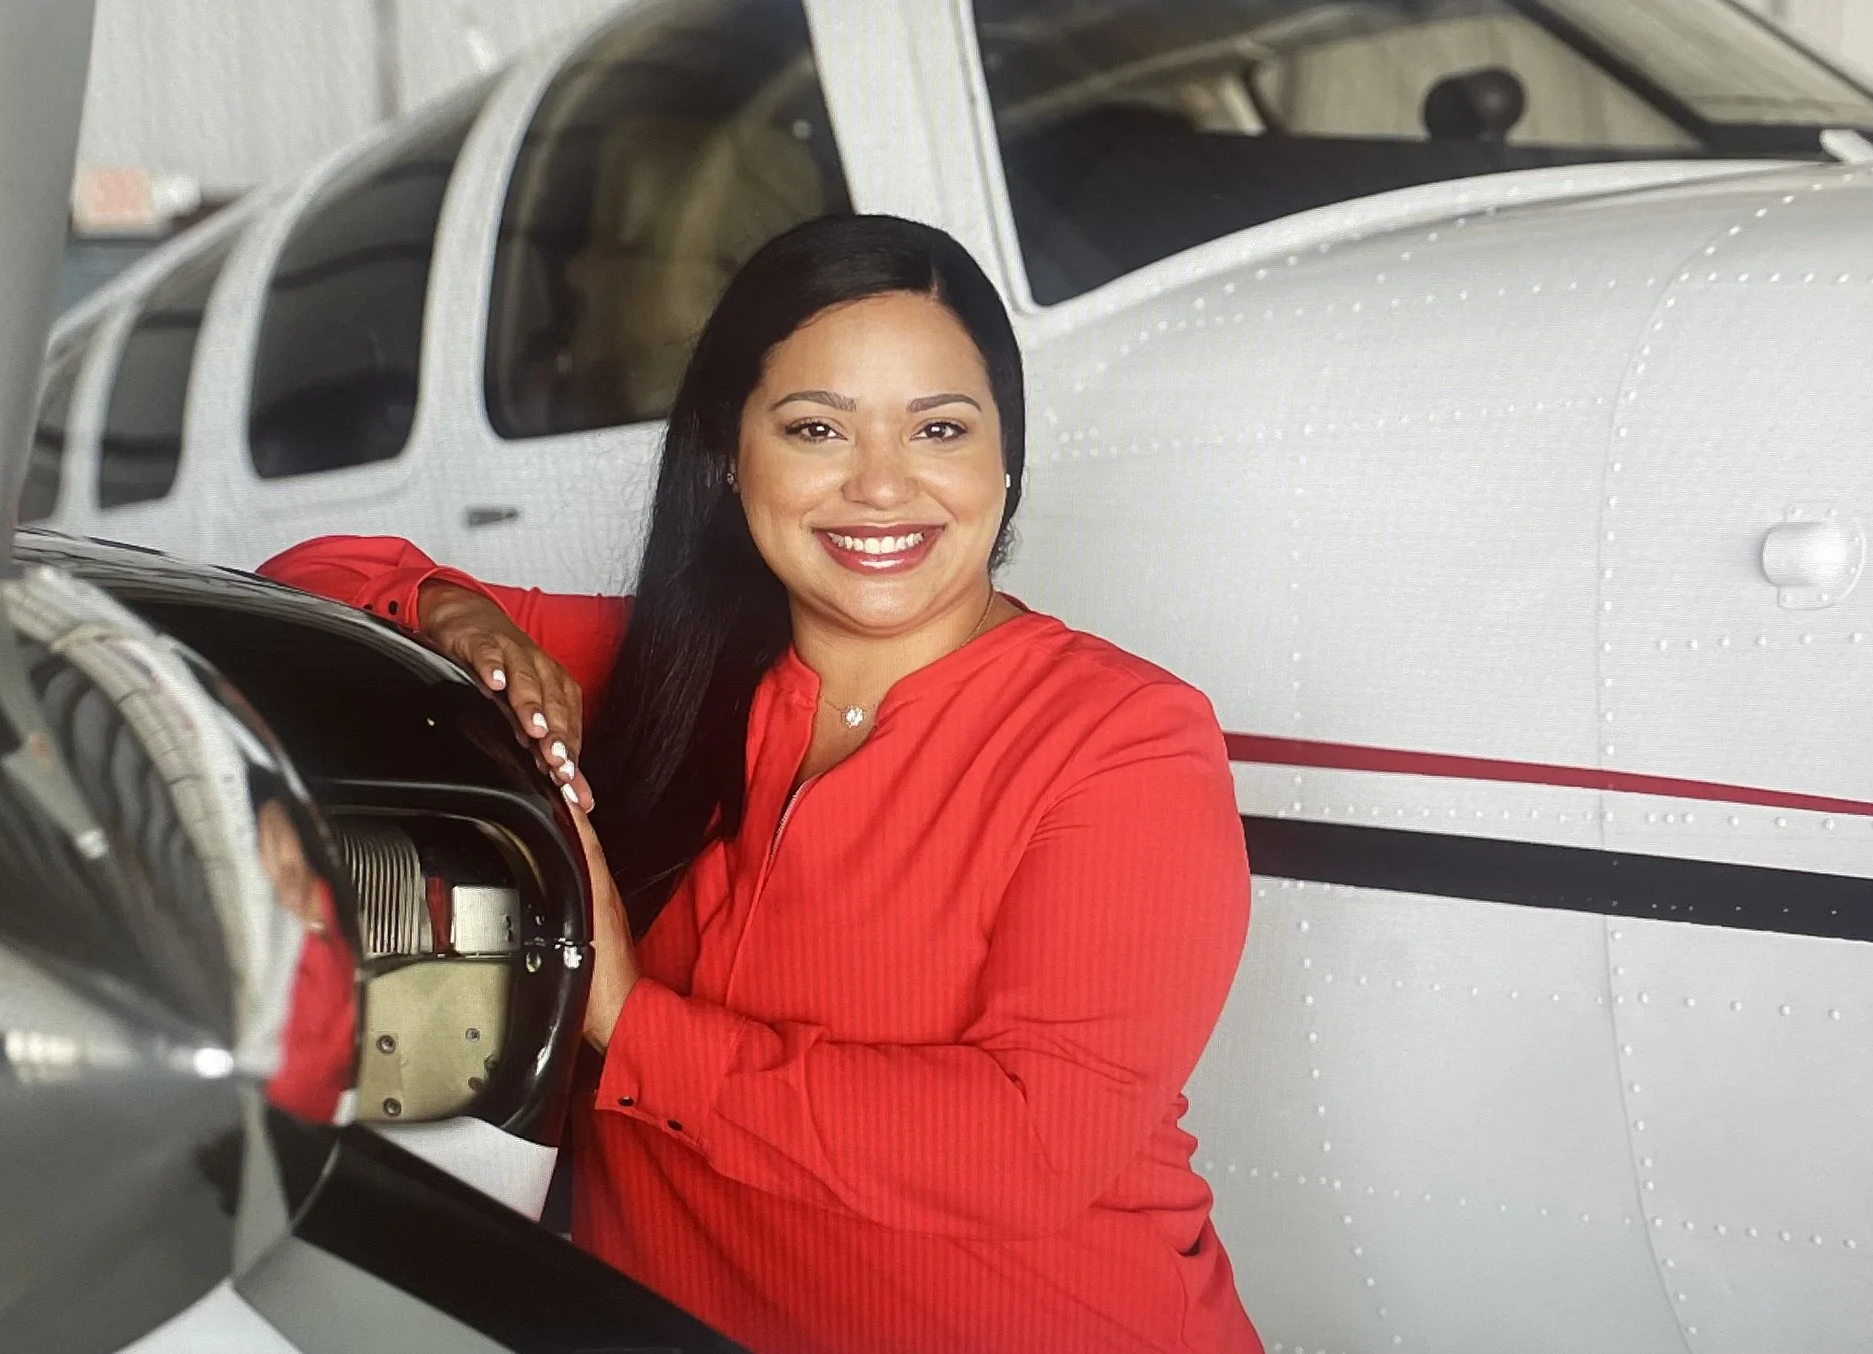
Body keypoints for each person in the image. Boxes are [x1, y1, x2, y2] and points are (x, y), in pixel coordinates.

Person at [260, 214, 1258, 1354]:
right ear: (730, 457)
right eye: (815, 428)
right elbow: (308, 583)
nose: (881, 486)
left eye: (939, 427)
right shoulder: (664, 674)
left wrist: (628, 1018)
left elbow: (1026, 1149)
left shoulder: (1125, 740)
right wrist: (451, 613)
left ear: (1004, 457)